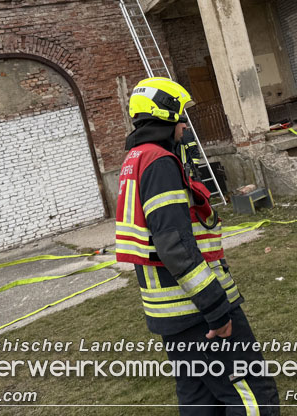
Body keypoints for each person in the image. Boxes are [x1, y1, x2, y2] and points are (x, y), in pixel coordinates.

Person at [116, 77, 279, 415]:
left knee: (199, 401)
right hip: (197, 312)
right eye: (181, 116)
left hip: (172, 314)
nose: (184, 126)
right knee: (251, 395)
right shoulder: (159, 162)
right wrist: (216, 308)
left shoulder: (136, 158)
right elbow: (173, 245)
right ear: (165, 115)